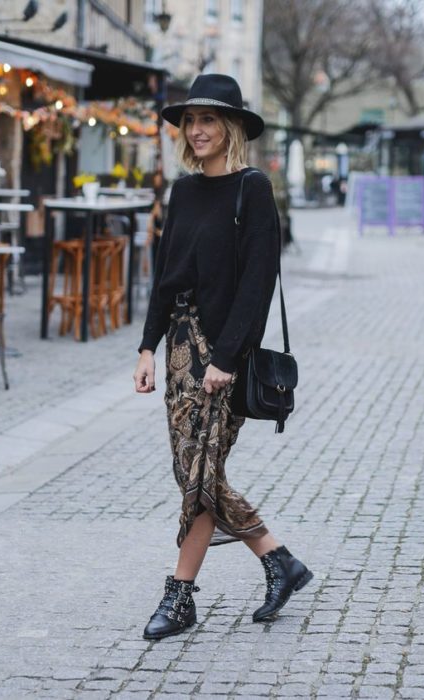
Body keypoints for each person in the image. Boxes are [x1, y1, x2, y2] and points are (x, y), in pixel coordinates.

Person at [133, 74, 313, 640]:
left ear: (231, 126)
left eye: (209, 119)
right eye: (191, 120)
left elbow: (257, 285)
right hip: (181, 350)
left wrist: (227, 359)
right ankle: (278, 560)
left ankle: (181, 596)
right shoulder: (183, 191)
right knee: (194, 472)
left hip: (221, 355)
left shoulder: (251, 190)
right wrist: (147, 346)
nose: (197, 129)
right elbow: (165, 278)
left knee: (199, 473)